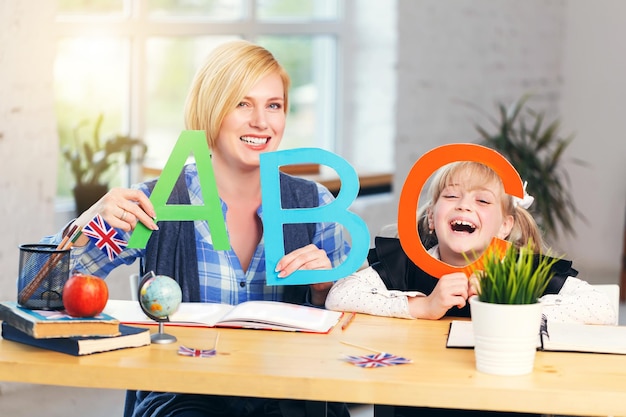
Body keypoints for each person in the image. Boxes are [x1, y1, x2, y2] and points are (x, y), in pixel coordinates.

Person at [42, 40, 351, 417]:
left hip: (288, 395)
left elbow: (357, 329)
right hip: (184, 395)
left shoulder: (313, 204)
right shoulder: (155, 204)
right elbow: (43, 292)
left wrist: (324, 292)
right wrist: (88, 222)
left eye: (274, 105)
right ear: (211, 110)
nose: (262, 121)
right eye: (242, 103)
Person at [325, 160, 616, 417]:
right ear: (431, 217)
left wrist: (509, 305)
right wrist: (423, 306)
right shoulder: (407, 263)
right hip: (417, 398)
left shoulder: (520, 270)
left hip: (508, 400)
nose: (464, 205)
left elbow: (601, 307)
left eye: (483, 201)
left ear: (504, 226)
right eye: (451, 196)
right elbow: (339, 295)